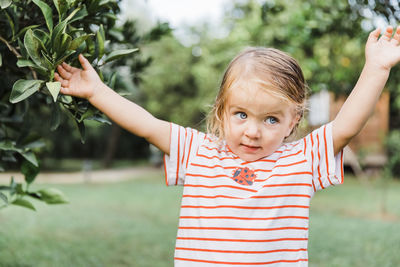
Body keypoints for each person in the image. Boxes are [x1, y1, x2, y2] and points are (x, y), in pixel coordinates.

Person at [55, 26, 400, 266]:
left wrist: (376, 67)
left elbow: (346, 126)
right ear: (221, 110)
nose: (253, 132)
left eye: (270, 120)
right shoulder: (199, 152)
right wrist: (97, 92)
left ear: (294, 120)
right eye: (241, 114)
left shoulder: (301, 161)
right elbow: (147, 125)